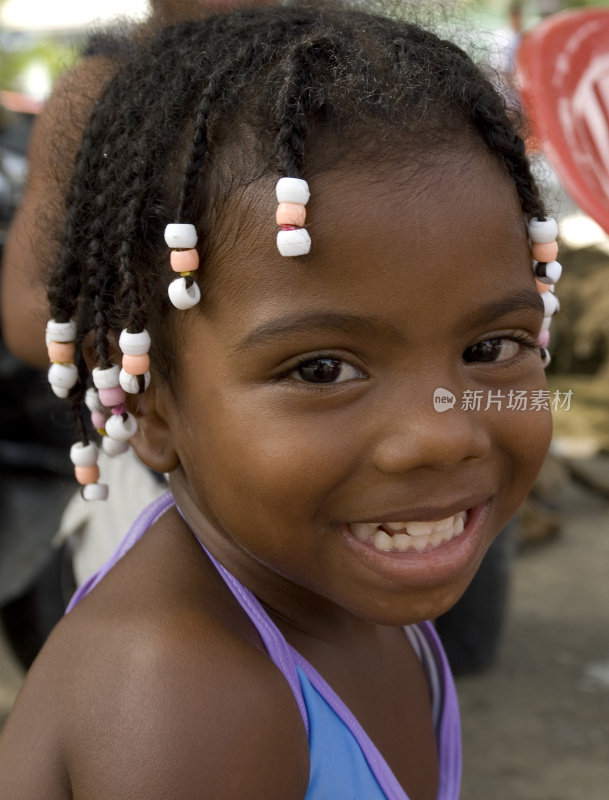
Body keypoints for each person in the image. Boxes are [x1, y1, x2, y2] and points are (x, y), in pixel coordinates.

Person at [0, 1, 559, 797]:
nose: (440, 436)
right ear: (149, 401)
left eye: (488, 348)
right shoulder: (185, 696)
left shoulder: (342, 592)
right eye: (322, 369)